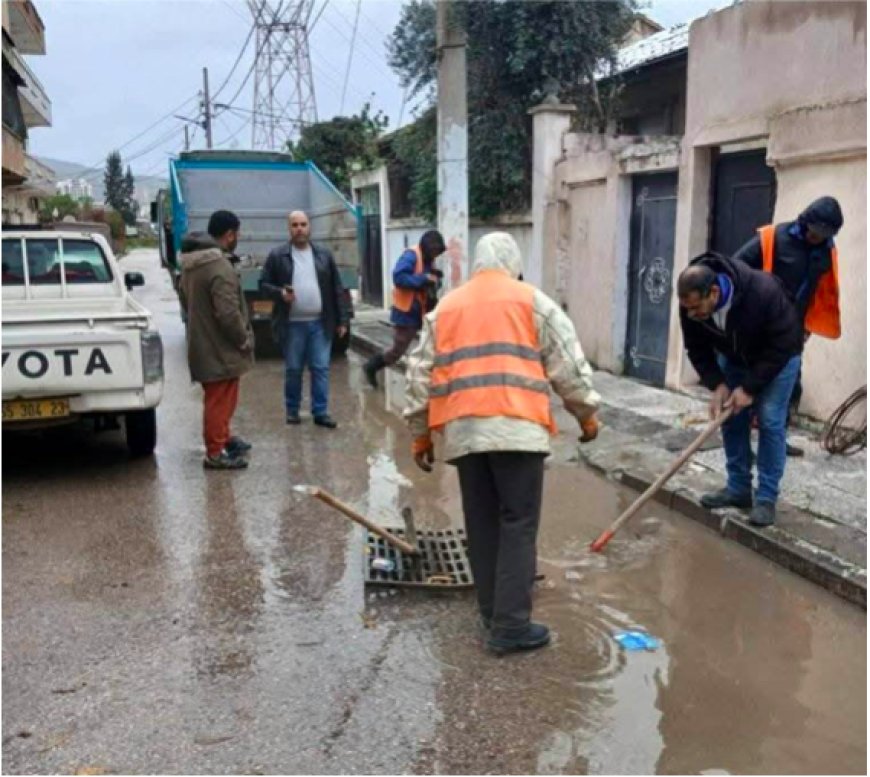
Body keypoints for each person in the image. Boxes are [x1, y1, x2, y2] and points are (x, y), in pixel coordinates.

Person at [404, 232, 601, 655]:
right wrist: (586, 413)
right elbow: (567, 361)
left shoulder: (447, 309)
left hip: (465, 434)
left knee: (482, 522)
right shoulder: (532, 301)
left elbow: (419, 373)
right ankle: (511, 627)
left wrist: (420, 433)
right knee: (517, 521)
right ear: (513, 263)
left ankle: (492, 611)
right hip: (517, 429)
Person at [677, 253, 804, 527]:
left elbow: (784, 341)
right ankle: (738, 489)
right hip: (735, 356)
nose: (691, 315)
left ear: (713, 292)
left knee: (770, 419)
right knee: (730, 416)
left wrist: (749, 388)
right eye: (687, 309)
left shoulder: (761, 292)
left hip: (779, 357)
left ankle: (766, 498)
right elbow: (696, 347)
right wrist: (718, 384)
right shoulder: (690, 302)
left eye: (696, 308)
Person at [733, 196, 843, 455]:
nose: (819, 238)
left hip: (793, 332)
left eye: (825, 234)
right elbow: (736, 267)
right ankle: (743, 446)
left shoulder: (827, 249)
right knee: (752, 386)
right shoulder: (773, 238)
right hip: (760, 329)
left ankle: (776, 441)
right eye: (816, 232)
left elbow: (818, 290)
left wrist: (808, 324)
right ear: (805, 222)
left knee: (790, 389)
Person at [259, 210, 350, 428]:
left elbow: (337, 288)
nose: (299, 229)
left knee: (320, 368)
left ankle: (320, 412)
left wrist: (342, 320)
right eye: (295, 225)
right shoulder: (277, 255)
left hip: (321, 323)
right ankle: (292, 410)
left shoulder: (323, 255)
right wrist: (281, 293)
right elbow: (262, 285)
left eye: (303, 224)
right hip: (292, 325)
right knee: (293, 369)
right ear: (288, 229)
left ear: (309, 227)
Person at [179, 210, 254, 470]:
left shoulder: (191, 265)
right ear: (230, 234)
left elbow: (185, 302)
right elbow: (228, 313)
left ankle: (223, 437)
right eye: (237, 233)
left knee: (220, 398)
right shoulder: (219, 267)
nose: (238, 238)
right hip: (220, 348)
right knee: (219, 400)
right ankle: (215, 452)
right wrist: (243, 339)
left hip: (203, 344)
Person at [363, 230, 446, 388]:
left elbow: (427, 279)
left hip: (423, 310)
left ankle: (428, 380)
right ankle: (371, 367)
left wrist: (434, 279)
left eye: (438, 251)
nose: (436, 255)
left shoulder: (429, 259)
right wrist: (423, 279)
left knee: (432, 345)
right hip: (407, 312)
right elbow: (399, 277)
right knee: (398, 350)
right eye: (434, 251)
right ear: (427, 247)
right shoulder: (411, 256)